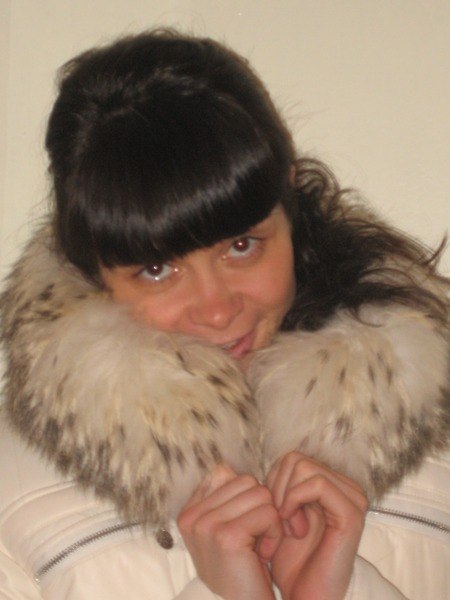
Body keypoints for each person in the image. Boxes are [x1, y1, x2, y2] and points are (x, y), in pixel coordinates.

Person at [0, 29, 448, 600]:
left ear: (288, 202)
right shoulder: (12, 493)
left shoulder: (436, 443)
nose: (216, 311)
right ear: (91, 270)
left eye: (241, 245)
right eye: (157, 269)